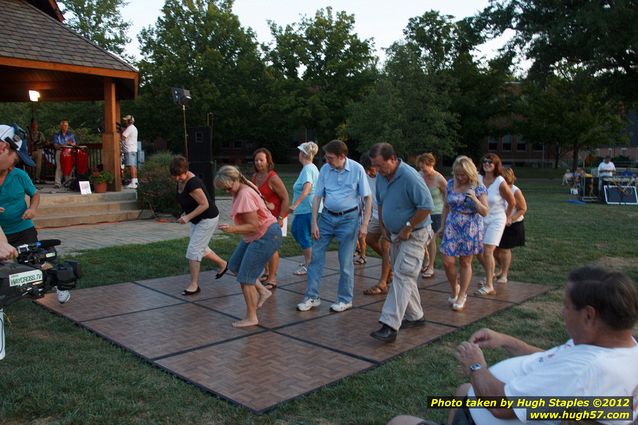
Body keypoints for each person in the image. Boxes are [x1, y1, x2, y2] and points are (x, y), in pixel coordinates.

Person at [296, 139, 371, 313]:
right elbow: (317, 197)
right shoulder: (325, 169)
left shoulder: (357, 169)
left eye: (330, 157)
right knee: (315, 257)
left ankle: (345, 299)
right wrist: (315, 222)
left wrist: (365, 224)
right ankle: (312, 297)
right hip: (327, 218)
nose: (327, 160)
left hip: (349, 220)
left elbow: (367, 198)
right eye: (327, 157)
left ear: (342, 156)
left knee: (345, 262)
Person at [368, 143, 433, 342]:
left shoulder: (410, 177)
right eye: (374, 166)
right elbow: (381, 201)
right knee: (403, 275)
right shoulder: (381, 176)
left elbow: (426, 206)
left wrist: (408, 227)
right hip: (394, 233)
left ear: (393, 159)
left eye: (380, 166)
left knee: (403, 275)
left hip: (415, 234)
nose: (377, 171)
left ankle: (389, 325)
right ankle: (415, 316)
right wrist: (384, 226)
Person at [0, 125, 69, 303]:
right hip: (3, 233)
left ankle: (57, 282)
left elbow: (35, 194)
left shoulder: (20, 175)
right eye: (16, 157)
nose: (15, 162)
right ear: (3, 148)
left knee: (34, 261)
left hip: (22, 229)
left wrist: (32, 209)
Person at [214, 165, 282, 327]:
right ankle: (263, 291)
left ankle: (252, 317)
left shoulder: (244, 193)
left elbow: (254, 226)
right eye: (224, 190)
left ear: (235, 180)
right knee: (236, 265)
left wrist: (232, 229)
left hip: (266, 235)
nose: (227, 192)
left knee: (245, 278)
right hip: (258, 234)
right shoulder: (242, 187)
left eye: (228, 188)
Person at [169, 155, 226, 296]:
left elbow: (204, 204)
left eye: (179, 175)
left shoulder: (193, 183)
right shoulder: (180, 180)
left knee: (194, 250)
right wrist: (183, 213)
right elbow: (188, 201)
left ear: (186, 171)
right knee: (201, 248)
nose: (177, 178)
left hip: (208, 218)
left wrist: (187, 217)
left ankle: (194, 285)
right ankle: (223, 264)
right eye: (174, 176)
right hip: (197, 219)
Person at [440, 156, 488, 311]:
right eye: (457, 174)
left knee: (465, 262)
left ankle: (462, 295)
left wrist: (474, 198)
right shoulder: (450, 184)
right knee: (447, 261)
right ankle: (455, 288)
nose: (460, 177)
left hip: (470, 227)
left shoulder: (478, 187)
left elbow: (485, 212)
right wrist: (442, 226)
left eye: (463, 175)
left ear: (470, 173)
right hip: (451, 226)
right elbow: (446, 206)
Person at [476, 153, 515, 296]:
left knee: (487, 251)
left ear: (496, 165)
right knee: (478, 251)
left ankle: (489, 285)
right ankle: (490, 274)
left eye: (490, 162)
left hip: (496, 219)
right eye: (485, 161)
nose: (487, 164)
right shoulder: (478, 178)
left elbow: (512, 202)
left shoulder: (500, 181)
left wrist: (507, 217)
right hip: (481, 218)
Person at [251, 148, 289, 290]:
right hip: (263, 218)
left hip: (276, 217)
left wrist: (281, 217)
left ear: (268, 161)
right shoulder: (255, 177)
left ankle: (273, 278)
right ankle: (267, 273)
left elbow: (285, 198)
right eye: (256, 160)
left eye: (261, 160)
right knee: (263, 245)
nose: (258, 163)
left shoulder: (273, 177)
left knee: (272, 248)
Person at [359, 152, 393, 296]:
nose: (370, 172)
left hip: (389, 214)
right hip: (374, 215)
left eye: (372, 168)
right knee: (369, 240)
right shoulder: (365, 176)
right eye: (367, 169)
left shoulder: (385, 176)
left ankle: (383, 283)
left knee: (386, 246)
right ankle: (391, 264)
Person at [289, 141, 320, 276]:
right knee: (296, 230)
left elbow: (307, 189)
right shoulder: (309, 168)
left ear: (303, 154)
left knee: (302, 234)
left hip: (307, 208)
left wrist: (294, 204)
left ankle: (309, 264)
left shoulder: (308, 169)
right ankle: (310, 260)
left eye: (300, 152)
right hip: (304, 209)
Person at [416, 153, 447, 279]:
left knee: (432, 239)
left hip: (437, 212)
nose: (423, 171)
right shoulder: (419, 176)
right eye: (421, 168)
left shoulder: (439, 178)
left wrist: (447, 212)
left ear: (431, 164)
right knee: (423, 239)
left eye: (425, 168)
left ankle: (431, 267)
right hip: (423, 212)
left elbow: (447, 196)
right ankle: (427, 260)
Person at [494, 168, 527, 284]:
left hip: (512, 224)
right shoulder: (495, 188)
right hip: (497, 221)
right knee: (493, 250)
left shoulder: (515, 191)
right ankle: (500, 268)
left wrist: (511, 219)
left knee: (504, 249)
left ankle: (504, 274)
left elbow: (523, 208)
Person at [53, 119, 76, 188]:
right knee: (59, 167)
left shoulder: (70, 134)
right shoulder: (57, 135)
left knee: (69, 167)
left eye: (66, 125)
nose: (65, 127)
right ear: (61, 126)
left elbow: (74, 143)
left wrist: (71, 144)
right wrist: (65, 143)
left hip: (69, 152)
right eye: (64, 125)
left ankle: (68, 182)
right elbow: (56, 145)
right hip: (60, 151)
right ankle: (57, 183)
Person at [120, 115, 139, 189]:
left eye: (126, 120)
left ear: (129, 121)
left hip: (129, 150)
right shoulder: (133, 128)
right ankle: (134, 181)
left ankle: (134, 183)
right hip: (132, 149)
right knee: (132, 165)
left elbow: (123, 137)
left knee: (132, 166)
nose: (124, 121)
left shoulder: (130, 128)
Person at [27, 119, 47, 184]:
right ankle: (30, 178)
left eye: (35, 124)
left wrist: (45, 143)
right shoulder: (28, 134)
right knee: (29, 165)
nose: (34, 126)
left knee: (38, 166)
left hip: (38, 150)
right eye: (33, 124)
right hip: (30, 151)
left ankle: (37, 178)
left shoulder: (40, 134)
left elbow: (44, 142)